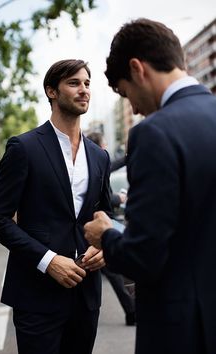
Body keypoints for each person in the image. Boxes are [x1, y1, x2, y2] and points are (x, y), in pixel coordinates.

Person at [84, 18, 216, 354]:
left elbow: (144, 257)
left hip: (184, 333)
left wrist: (106, 235)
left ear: (137, 68)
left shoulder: (154, 133)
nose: (135, 108)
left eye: (126, 94)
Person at [0, 59, 112, 354]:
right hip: (36, 295)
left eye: (87, 84)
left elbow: (104, 215)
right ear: (51, 91)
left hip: (86, 294)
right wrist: (48, 260)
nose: (84, 90)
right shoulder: (23, 147)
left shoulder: (100, 157)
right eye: (74, 83)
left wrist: (105, 246)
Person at [86, 131, 136, 326]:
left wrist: (128, 155)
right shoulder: (91, 165)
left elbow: (114, 163)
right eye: (104, 145)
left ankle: (132, 310)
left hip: (105, 222)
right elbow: (99, 198)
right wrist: (118, 199)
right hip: (97, 224)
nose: (106, 148)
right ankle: (132, 311)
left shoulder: (100, 161)